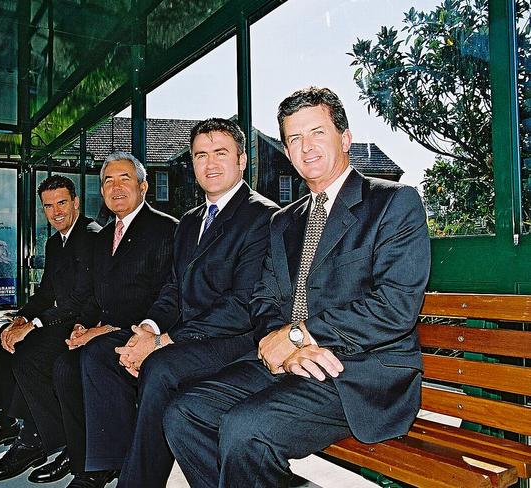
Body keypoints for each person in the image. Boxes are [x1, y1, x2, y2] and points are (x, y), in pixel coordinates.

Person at [163, 87, 431, 488]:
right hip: (292, 363)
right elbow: (265, 298)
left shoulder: (393, 203)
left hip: (358, 372)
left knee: (245, 428)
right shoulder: (283, 222)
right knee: (184, 412)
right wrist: (285, 346)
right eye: (294, 139)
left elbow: (394, 306)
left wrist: (299, 335)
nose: (306, 148)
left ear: (344, 137)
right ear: (286, 151)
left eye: (317, 133)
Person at [77, 118, 278, 488]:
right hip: (186, 335)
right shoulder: (189, 221)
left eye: (221, 153)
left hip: (234, 339)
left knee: (160, 367)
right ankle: (108, 462)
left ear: (242, 160)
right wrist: (149, 329)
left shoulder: (263, 217)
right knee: (103, 351)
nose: (210, 163)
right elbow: (173, 288)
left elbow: (242, 305)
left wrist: (163, 342)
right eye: (201, 155)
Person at [14, 152, 178, 486]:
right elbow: (95, 294)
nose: (116, 187)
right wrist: (82, 325)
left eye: (125, 179)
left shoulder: (166, 229)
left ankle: (102, 465)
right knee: (64, 364)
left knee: (92, 356)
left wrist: (104, 329)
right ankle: (81, 456)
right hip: (104, 328)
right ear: (101, 190)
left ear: (144, 186)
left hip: (144, 331)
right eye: (108, 181)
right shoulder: (103, 237)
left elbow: (167, 295)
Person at [0, 175, 101, 483]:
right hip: (61, 317)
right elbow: (47, 293)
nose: (56, 211)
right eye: (48, 206)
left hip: (84, 323)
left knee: (29, 351)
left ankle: (38, 436)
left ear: (75, 202)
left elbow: (81, 298)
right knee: (6, 336)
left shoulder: (90, 236)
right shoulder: (54, 242)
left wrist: (35, 324)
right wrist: (22, 318)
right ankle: (7, 421)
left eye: (62, 203)